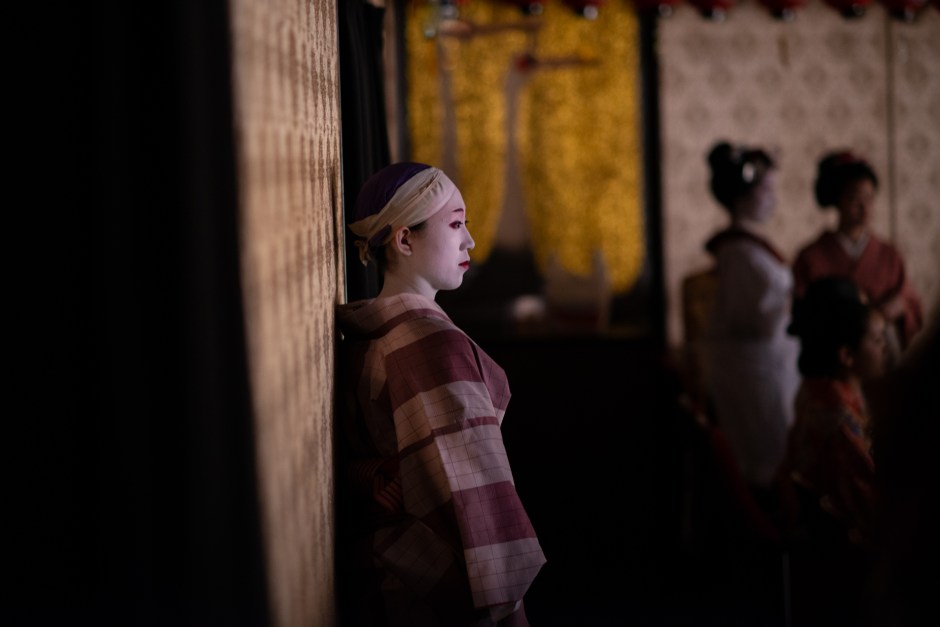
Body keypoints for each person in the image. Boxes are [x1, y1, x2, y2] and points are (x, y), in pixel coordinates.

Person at [334, 162, 546, 627]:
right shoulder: (432, 343)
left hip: (383, 567)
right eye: (455, 224)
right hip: (431, 583)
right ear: (404, 240)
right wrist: (509, 608)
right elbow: (471, 492)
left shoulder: (366, 330)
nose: (470, 240)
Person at [776, 277, 889, 627]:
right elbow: (880, 514)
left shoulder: (819, 393)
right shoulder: (839, 422)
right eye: (877, 341)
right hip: (849, 570)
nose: (886, 349)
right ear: (846, 355)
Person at [698, 141, 801, 507]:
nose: (772, 199)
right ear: (742, 195)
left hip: (769, 367)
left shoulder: (750, 248)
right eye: (765, 190)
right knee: (763, 467)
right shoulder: (740, 253)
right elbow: (760, 320)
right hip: (755, 376)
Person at [792, 150, 924, 355]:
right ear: (837, 201)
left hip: (880, 353)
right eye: (854, 199)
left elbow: (910, 304)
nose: (865, 208)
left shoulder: (889, 255)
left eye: (869, 198)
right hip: (830, 354)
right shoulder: (811, 256)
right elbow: (799, 313)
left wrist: (899, 306)